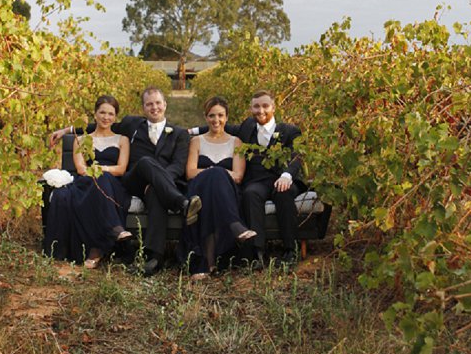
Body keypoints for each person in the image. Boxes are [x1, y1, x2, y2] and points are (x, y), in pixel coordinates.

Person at [50, 87, 201, 275]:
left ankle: (153, 257)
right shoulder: (132, 125)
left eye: (157, 103)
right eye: (149, 104)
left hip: (161, 186)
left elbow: (178, 166)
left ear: (165, 104)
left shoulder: (179, 134)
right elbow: (102, 124)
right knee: (146, 162)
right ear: (144, 108)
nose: (154, 107)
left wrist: (158, 181)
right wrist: (67, 130)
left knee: (156, 192)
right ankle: (181, 203)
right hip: (133, 182)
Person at [193, 89, 305, 266]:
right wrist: (191, 130)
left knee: (284, 193)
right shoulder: (247, 127)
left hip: (282, 179)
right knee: (250, 193)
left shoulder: (290, 131)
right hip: (258, 181)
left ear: (273, 107)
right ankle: (257, 252)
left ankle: (290, 250)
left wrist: (286, 175)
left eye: (265, 106)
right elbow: (223, 126)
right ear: (251, 109)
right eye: (256, 107)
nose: (261, 111)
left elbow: (298, 155)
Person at [43, 95, 132, 269]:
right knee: (87, 186)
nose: (106, 117)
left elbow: (121, 169)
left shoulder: (122, 140)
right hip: (86, 182)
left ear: (115, 117)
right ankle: (113, 232)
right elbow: (81, 168)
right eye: (102, 113)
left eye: (110, 114)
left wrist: (101, 170)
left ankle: (97, 249)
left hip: (113, 184)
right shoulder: (81, 139)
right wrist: (99, 171)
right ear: (95, 114)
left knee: (104, 179)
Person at [181, 96, 255, 279]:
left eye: (220, 115)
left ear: (227, 117)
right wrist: (216, 171)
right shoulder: (196, 141)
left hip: (227, 192)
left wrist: (215, 172)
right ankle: (235, 226)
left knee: (215, 186)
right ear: (206, 117)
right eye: (212, 116)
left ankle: (207, 263)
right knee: (215, 176)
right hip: (198, 188)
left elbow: (238, 176)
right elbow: (190, 172)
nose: (216, 120)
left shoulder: (236, 142)